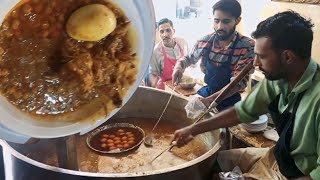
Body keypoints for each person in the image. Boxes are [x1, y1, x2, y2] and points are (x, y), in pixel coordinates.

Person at [173, 10, 319, 179]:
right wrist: (194, 129)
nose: (256, 64)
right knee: (210, 162)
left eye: (261, 57)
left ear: (287, 57)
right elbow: (242, 111)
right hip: (275, 157)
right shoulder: (279, 79)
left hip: (298, 174)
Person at [172, 0, 255, 111]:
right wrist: (179, 66)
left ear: (237, 20)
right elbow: (188, 58)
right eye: (216, 21)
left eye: (226, 22)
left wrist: (210, 101)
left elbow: (236, 83)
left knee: (224, 127)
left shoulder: (247, 47)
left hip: (230, 99)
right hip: (208, 91)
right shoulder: (205, 41)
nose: (220, 26)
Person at [147, 18, 189, 89]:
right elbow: (153, 74)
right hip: (165, 87)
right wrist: (154, 87)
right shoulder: (156, 51)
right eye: (161, 31)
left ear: (174, 31)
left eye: (168, 30)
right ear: (159, 34)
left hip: (182, 85)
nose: (165, 34)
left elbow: (190, 61)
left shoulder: (182, 43)